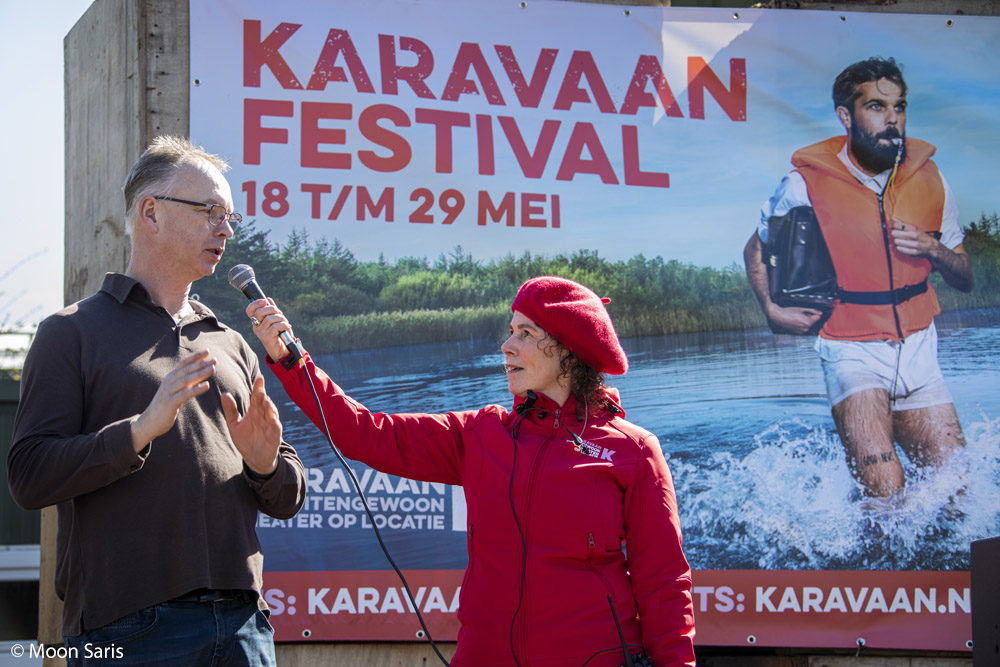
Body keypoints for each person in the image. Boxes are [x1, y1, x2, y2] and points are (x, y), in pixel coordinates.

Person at [248, 276, 695, 666]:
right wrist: (291, 358)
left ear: (569, 349)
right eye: (510, 331)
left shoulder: (633, 451)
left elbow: (664, 585)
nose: (507, 346)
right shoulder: (482, 434)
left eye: (525, 332)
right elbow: (364, 433)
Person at [8, 136, 306, 666]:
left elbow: (286, 497)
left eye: (230, 217)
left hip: (242, 624)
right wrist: (138, 431)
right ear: (151, 212)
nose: (226, 228)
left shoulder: (231, 342)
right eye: (211, 210)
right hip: (127, 627)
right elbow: (30, 477)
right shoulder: (70, 332)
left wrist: (265, 465)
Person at [743, 57, 974, 499]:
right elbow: (755, 247)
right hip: (851, 349)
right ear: (846, 116)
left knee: (958, 490)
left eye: (899, 107)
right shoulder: (802, 183)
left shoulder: (932, 178)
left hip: (922, 346)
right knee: (886, 493)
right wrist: (771, 309)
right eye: (876, 107)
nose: (892, 119)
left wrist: (933, 249)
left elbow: (963, 276)